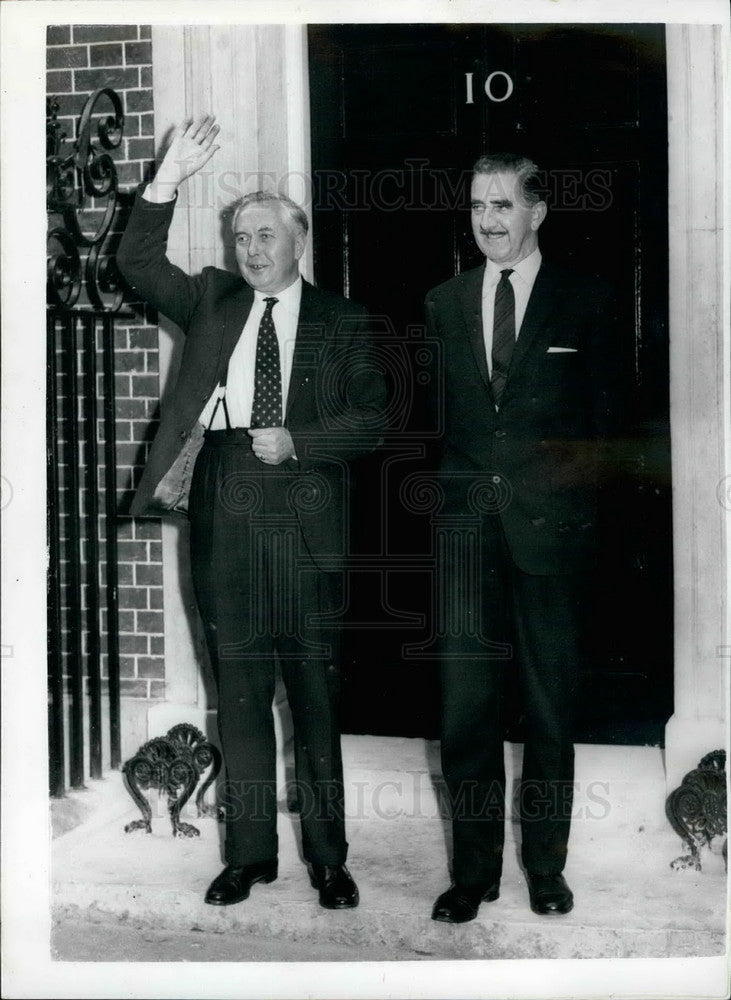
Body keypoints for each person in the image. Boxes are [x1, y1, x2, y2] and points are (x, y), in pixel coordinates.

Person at [117, 115, 387, 910]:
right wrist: (166, 179)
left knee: (314, 698)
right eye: (242, 236)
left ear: (298, 240)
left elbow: (374, 419)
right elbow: (135, 260)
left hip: (306, 512)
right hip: (223, 504)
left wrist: (299, 438)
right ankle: (248, 855)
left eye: (266, 235)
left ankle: (329, 859)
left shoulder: (344, 320)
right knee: (237, 690)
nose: (252, 249)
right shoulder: (210, 299)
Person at [424, 152, 623, 922]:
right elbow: (434, 427)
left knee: (547, 709)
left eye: (503, 205)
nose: (488, 220)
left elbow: (606, 429)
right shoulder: (442, 301)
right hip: (465, 539)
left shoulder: (587, 301)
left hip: (550, 536)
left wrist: (577, 518)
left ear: (536, 212)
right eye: (478, 206)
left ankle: (545, 866)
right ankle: (472, 874)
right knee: (465, 711)